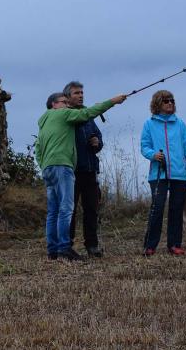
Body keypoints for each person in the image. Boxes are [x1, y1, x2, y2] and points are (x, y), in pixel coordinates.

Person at [36, 90, 127, 261]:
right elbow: (87, 113)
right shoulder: (63, 115)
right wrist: (112, 101)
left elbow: (38, 148)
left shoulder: (43, 122)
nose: (67, 104)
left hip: (48, 168)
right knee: (66, 209)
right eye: (64, 102)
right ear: (54, 105)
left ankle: (52, 250)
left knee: (53, 211)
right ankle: (64, 248)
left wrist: (44, 165)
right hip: (62, 166)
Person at [140, 90, 186, 256]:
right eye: (166, 101)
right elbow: (144, 146)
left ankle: (174, 244)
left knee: (176, 209)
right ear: (157, 104)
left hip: (179, 174)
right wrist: (153, 155)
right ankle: (150, 245)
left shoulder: (180, 124)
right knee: (157, 208)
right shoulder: (149, 124)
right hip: (158, 174)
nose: (170, 103)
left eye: (172, 101)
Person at [64, 81, 105, 258]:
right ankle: (67, 245)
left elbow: (98, 138)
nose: (80, 95)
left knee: (91, 209)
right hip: (72, 170)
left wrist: (97, 142)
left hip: (90, 169)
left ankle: (92, 246)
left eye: (81, 92)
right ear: (67, 97)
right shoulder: (64, 116)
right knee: (69, 210)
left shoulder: (89, 116)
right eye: (76, 93)